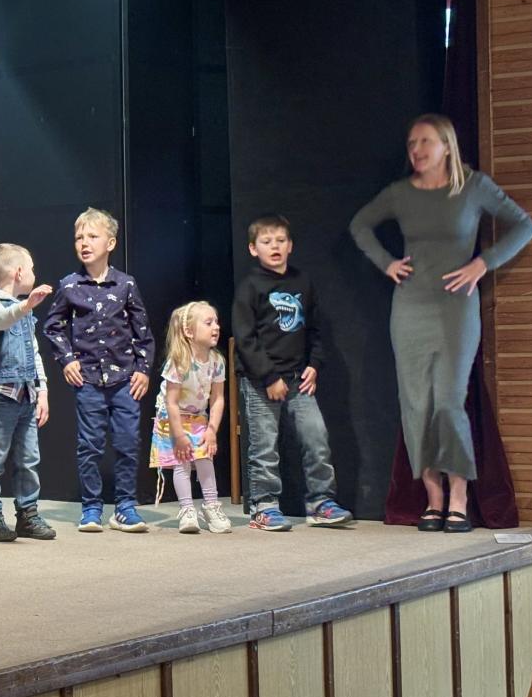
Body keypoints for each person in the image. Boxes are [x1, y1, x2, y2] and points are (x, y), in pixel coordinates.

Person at [350, 114, 532, 532]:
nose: (416, 150)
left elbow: (525, 226)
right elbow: (360, 225)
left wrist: (483, 263)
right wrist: (387, 263)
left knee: (449, 401)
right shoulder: (400, 193)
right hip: (410, 307)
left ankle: (459, 498)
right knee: (417, 404)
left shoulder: (474, 187)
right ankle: (433, 498)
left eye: (426, 141)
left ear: (447, 146)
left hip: (456, 309)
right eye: (412, 143)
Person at [234, 215, 353, 531]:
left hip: (298, 377)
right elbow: (245, 339)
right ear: (253, 248)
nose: (274, 247)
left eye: (280, 241)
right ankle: (264, 506)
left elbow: (314, 329)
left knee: (316, 437)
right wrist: (269, 377)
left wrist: (314, 364)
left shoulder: (302, 282)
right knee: (264, 447)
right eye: (266, 242)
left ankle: (321, 502)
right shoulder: (250, 287)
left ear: (290, 246)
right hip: (261, 381)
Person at [42, 207, 155, 533]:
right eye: (79, 237)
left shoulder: (126, 284)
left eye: (92, 236)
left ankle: (125, 507)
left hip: (125, 379)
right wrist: (67, 360)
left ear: (111, 243)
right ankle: (91, 507)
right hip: (89, 380)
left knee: (127, 442)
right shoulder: (70, 285)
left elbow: (143, 331)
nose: (84, 242)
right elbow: (53, 327)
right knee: (90, 444)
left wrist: (144, 369)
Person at [0, 244, 56, 542]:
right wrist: (25, 306)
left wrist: (42, 390)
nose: (34, 274)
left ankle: (28, 514)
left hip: (26, 396)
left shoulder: (23, 308)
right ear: (19, 272)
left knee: (28, 459)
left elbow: (33, 353)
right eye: (31, 268)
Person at [149, 302, 231, 534]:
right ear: (189, 331)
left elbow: (218, 399)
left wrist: (212, 430)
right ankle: (187, 510)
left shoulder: (217, 361)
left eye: (216, 322)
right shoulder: (179, 361)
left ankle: (212, 506)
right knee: (182, 462)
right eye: (208, 323)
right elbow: (171, 402)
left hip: (198, 417)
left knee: (205, 458)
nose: (216, 327)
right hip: (173, 417)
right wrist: (179, 436)